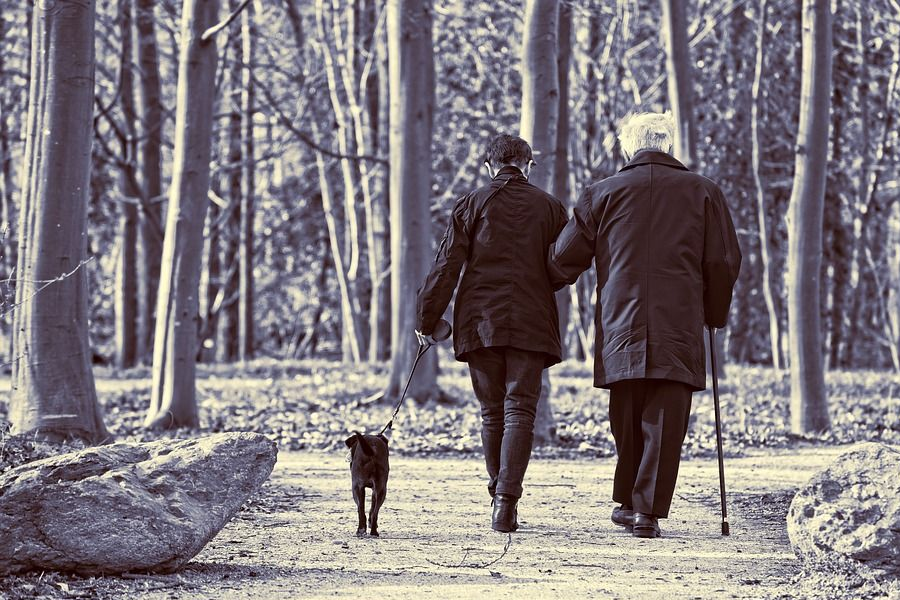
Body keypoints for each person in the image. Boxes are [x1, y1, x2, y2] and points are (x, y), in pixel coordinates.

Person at [547, 112, 741, 538]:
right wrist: (714, 313)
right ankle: (644, 511)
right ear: (668, 144)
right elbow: (723, 261)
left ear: (628, 147)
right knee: (667, 417)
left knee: (627, 412)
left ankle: (631, 502)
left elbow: (563, 258)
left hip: (622, 320)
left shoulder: (602, 194)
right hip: (679, 320)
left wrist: (549, 276)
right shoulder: (705, 192)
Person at [416, 134, 568, 533]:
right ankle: (506, 503)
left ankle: (496, 493)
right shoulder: (551, 207)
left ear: (489, 166)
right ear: (528, 164)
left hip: (480, 319)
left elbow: (447, 265)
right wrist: (542, 279)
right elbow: (562, 266)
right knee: (521, 409)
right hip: (533, 320)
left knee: (492, 412)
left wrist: (427, 319)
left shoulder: (472, 203)